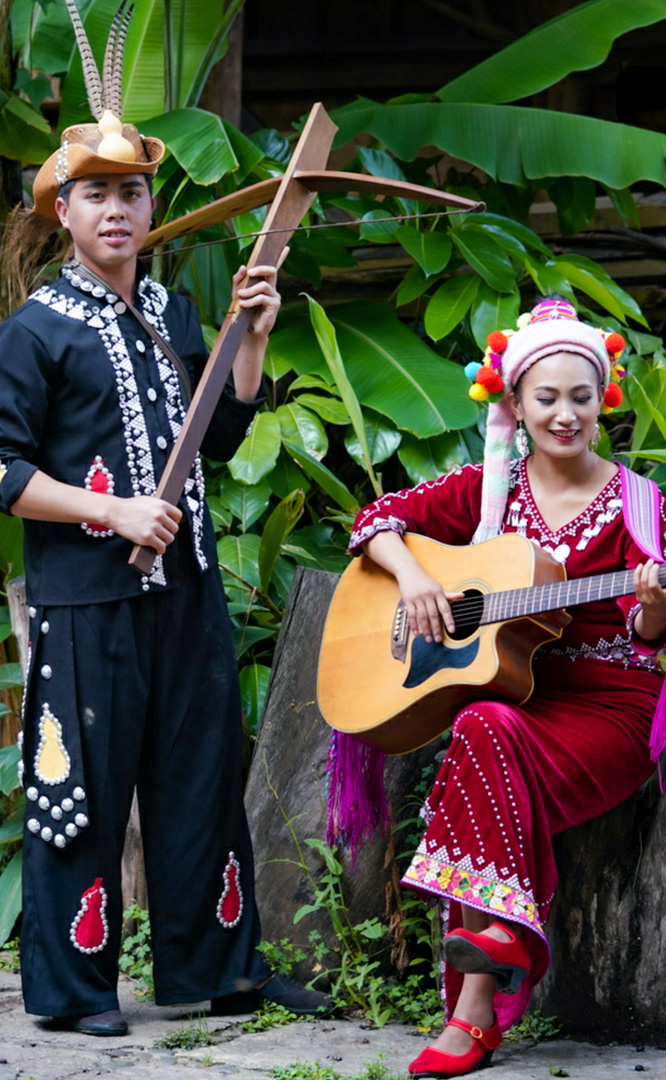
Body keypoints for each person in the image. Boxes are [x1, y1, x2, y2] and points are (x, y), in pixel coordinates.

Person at [0, 6, 331, 1037]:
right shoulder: (34, 330)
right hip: (85, 601)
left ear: (151, 204)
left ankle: (219, 972)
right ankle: (73, 993)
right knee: (82, 793)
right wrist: (111, 509)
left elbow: (217, 436)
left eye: (131, 192)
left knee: (201, 781)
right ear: (63, 210)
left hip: (183, 593)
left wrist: (251, 341)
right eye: (95, 194)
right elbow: (4, 470)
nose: (116, 210)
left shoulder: (174, 315)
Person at [347, 296, 666, 1077]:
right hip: (520, 703)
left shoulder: (642, 506)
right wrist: (416, 578)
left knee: (484, 733)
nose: (565, 414)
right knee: (484, 722)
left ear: (603, 401)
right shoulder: (490, 491)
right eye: (546, 397)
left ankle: (474, 1009)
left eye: (581, 397)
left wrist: (654, 608)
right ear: (515, 404)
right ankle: (499, 946)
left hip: (611, 712)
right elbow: (376, 520)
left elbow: (654, 638)